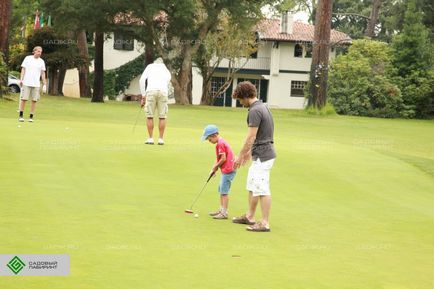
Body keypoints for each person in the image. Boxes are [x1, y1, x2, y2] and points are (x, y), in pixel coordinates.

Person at [231, 81, 276, 232]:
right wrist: (249, 153)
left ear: (245, 96)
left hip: (264, 155)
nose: (241, 103)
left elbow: (251, 137)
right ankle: (250, 216)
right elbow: (262, 135)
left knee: (262, 189)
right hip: (260, 153)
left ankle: (264, 222)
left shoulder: (255, 110)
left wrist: (240, 155)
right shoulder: (262, 107)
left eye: (240, 99)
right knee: (252, 185)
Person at [201, 124, 237, 219]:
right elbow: (220, 159)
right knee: (221, 189)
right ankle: (221, 210)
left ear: (214, 135)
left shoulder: (220, 144)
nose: (209, 141)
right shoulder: (221, 142)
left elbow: (223, 158)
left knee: (224, 191)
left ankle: (224, 213)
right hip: (227, 169)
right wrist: (215, 168)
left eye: (209, 139)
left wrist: (215, 167)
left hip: (228, 170)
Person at [139, 57, 171, 145]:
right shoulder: (165, 68)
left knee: (149, 116)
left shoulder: (150, 66)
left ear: (154, 62)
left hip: (151, 91)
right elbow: (168, 80)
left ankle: (150, 138)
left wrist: (143, 96)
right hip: (163, 92)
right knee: (162, 116)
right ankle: (161, 139)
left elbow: (141, 80)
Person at [18, 46, 47, 122]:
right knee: (24, 99)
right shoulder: (28, 58)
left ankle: (31, 117)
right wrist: (21, 79)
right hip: (26, 82)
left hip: (36, 84)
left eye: (41, 52)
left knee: (34, 100)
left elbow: (43, 73)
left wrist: (44, 83)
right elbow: (23, 69)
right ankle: (21, 115)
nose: (40, 53)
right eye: (38, 51)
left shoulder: (41, 61)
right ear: (34, 51)